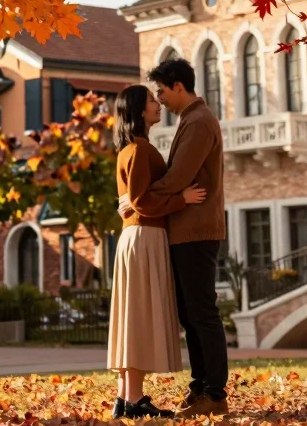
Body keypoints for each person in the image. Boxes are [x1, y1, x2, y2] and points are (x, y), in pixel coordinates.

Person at [120, 57, 228, 416]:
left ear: (178, 87)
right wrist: (145, 200)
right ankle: (200, 388)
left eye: (162, 91)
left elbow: (178, 177)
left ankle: (214, 392)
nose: (160, 99)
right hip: (183, 230)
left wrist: (141, 200)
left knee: (201, 312)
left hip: (196, 231)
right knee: (190, 314)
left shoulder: (198, 122)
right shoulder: (190, 120)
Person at [107, 83, 208, 419]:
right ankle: (134, 400)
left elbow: (131, 200)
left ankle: (125, 398)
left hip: (136, 237)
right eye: (152, 100)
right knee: (138, 318)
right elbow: (139, 200)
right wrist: (182, 200)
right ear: (138, 110)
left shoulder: (130, 149)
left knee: (132, 317)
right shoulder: (138, 150)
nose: (158, 104)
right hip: (144, 238)